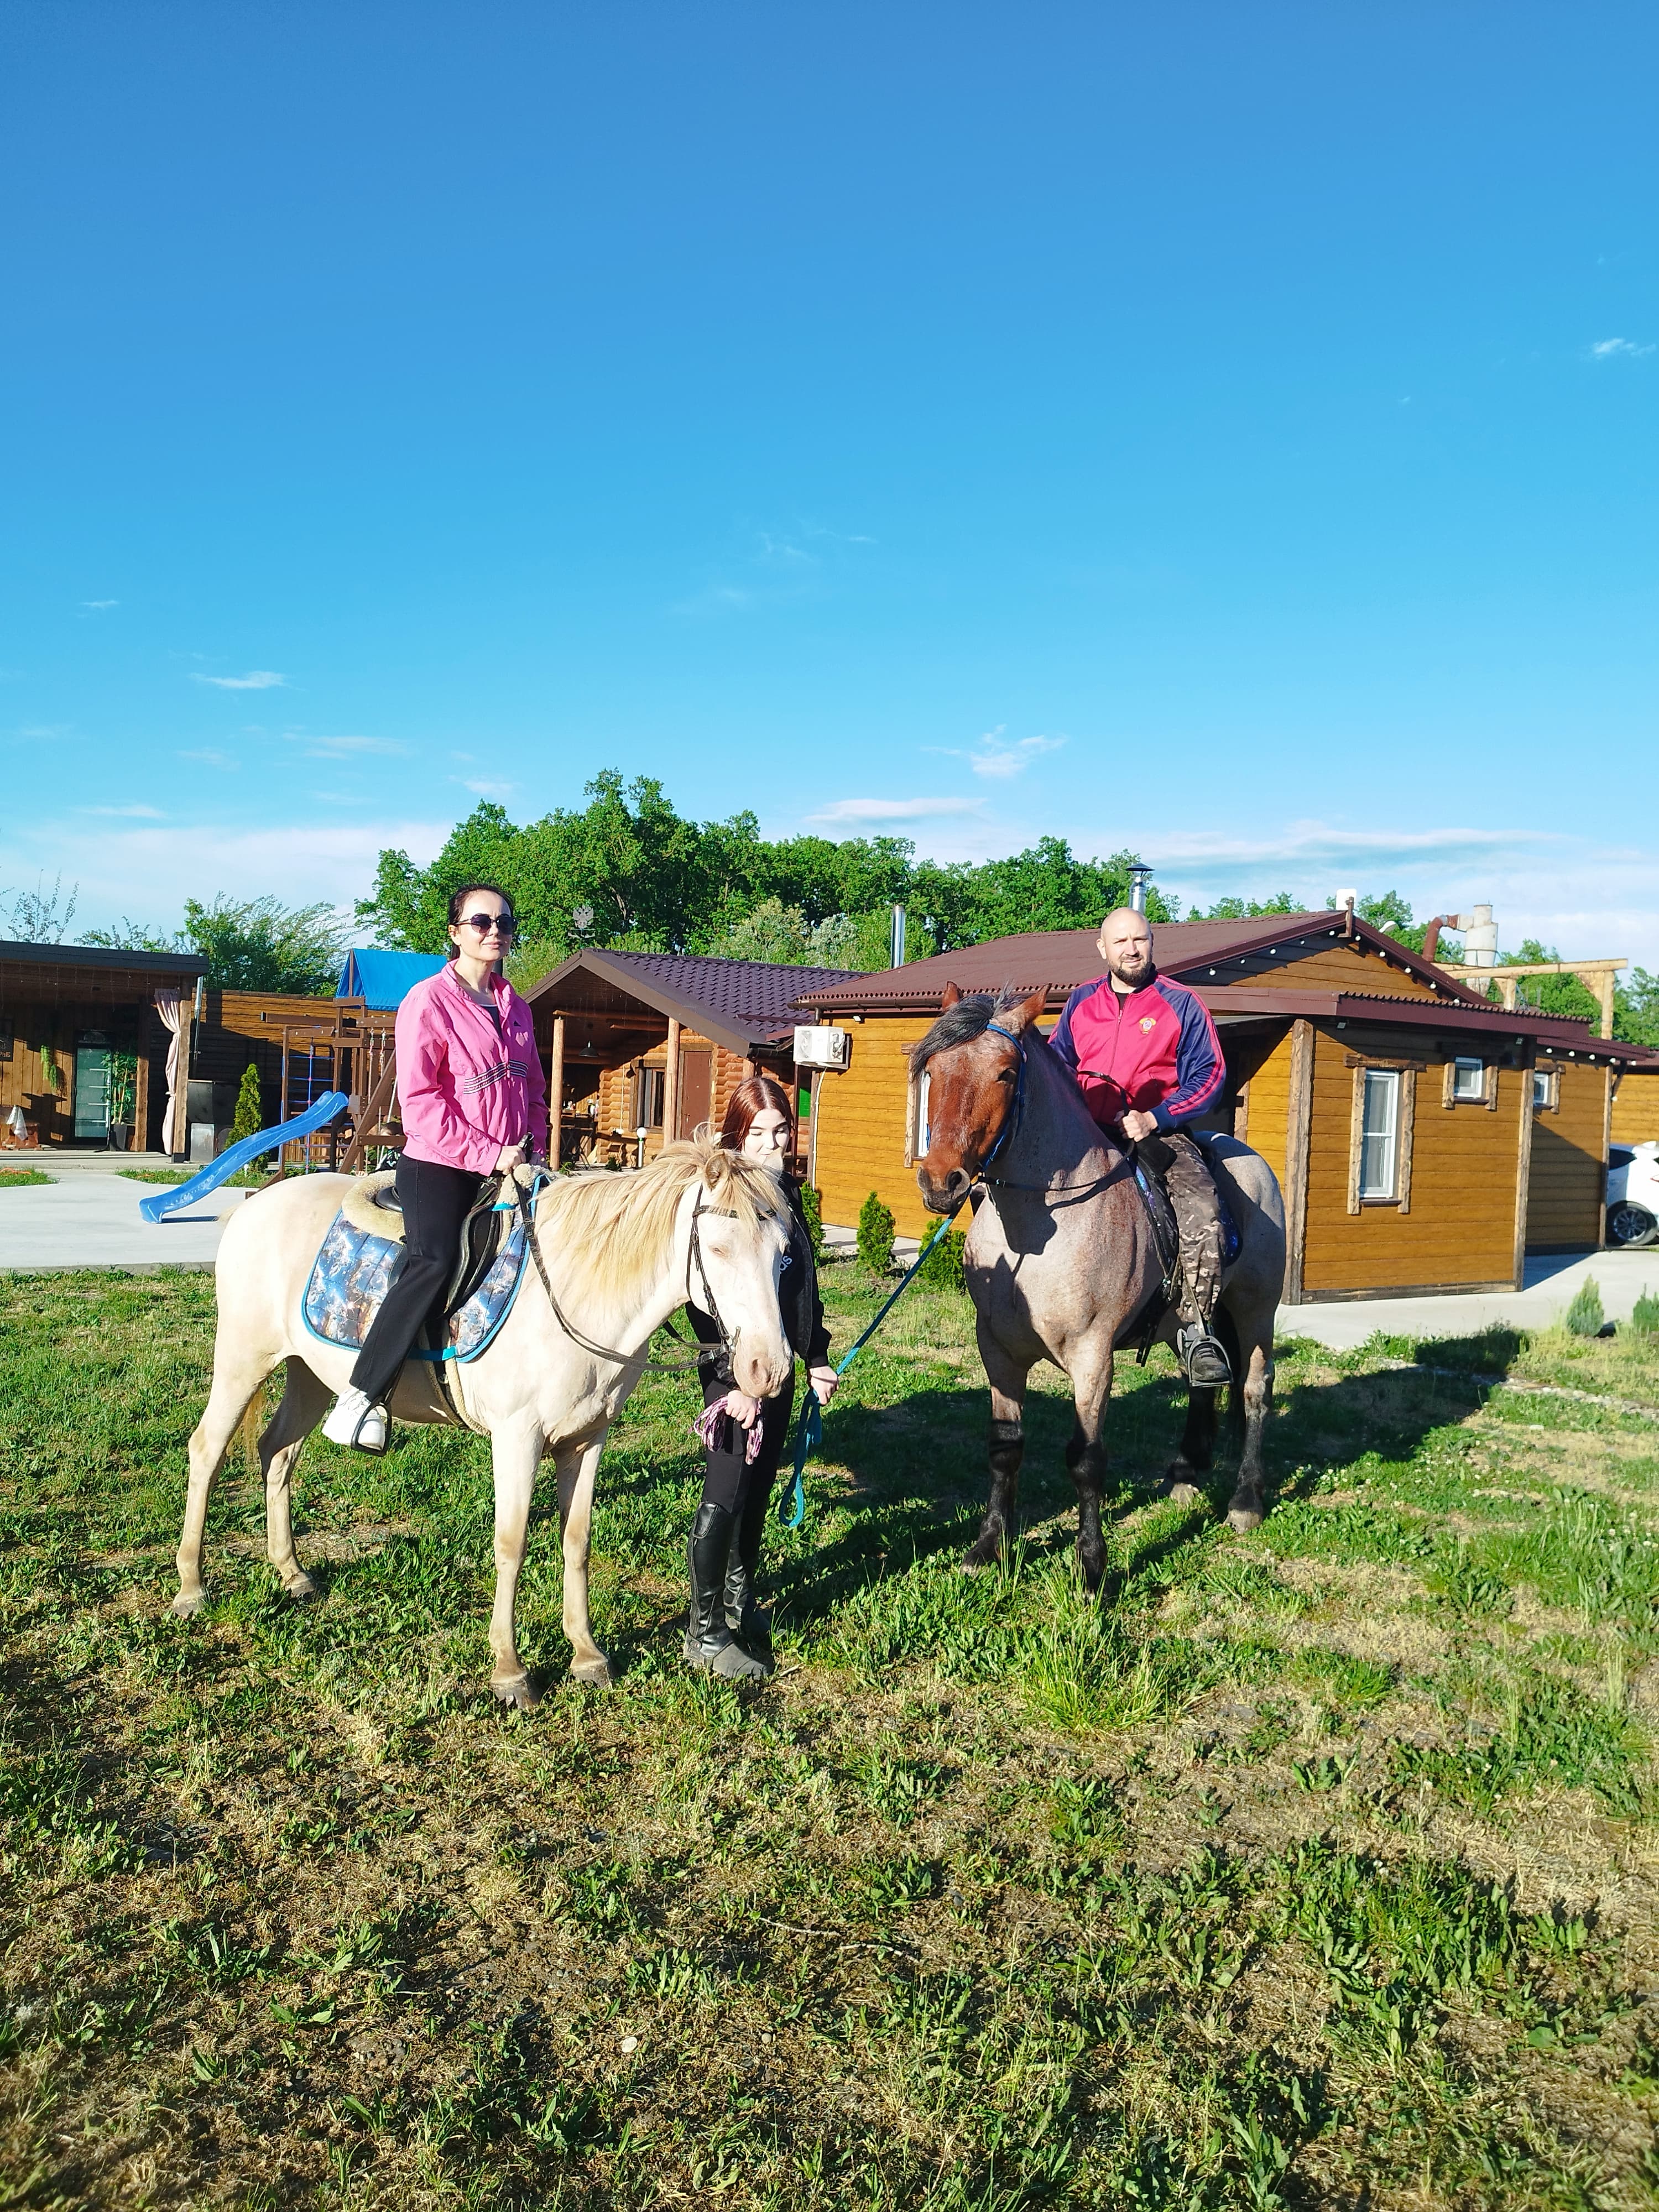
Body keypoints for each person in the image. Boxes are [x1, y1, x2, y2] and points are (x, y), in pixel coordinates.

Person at [323, 883, 546, 1451]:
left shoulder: (517, 1008)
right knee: (434, 1259)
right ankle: (362, 1396)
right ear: (455, 932)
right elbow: (420, 1103)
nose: (495, 931)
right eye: (481, 921)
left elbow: (536, 1092)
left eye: (504, 923)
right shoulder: (427, 1001)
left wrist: (534, 1147)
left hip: (511, 1165)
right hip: (441, 1164)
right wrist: (488, 1153)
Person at [685, 1076, 837, 1680]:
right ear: (736, 1136)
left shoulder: (786, 1196)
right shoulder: (721, 1196)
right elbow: (708, 1299)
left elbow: (802, 1294)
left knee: (759, 1487)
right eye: (758, 1133)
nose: (772, 1144)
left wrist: (816, 1355)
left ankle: (738, 1600)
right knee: (725, 1490)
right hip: (732, 1372)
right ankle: (703, 1632)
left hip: (775, 1367)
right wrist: (734, 1384)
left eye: (781, 1131)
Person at [1049, 905, 1232, 1387]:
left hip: (1158, 1133)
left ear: (1153, 943)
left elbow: (1209, 1075)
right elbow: (1058, 1066)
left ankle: (1196, 1329)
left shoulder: (1182, 1002)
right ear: (1103, 949)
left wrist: (1157, 1117)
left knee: (1203, 1209)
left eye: (1140, 940)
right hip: (1085, 1133)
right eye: (1121, 942)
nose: (1132, 949)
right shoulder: (1081, 1001)